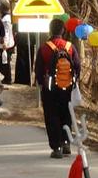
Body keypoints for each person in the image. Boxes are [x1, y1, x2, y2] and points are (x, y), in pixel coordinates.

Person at [34, 19, 80, 159]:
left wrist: (43, 84)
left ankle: (57, 147)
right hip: (67, 87)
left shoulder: (44, 48)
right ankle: (66, 143)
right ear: (63, 31)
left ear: (50, 30)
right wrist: (73, 82)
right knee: (66, 114)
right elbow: (77, 66)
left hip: (50, 89)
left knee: (52, 116)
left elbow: (38, 70)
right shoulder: (70, 47)